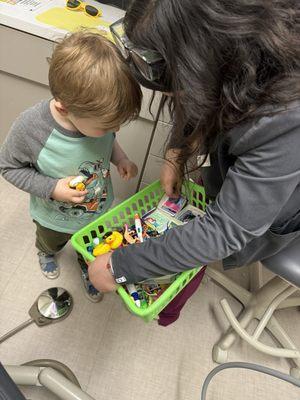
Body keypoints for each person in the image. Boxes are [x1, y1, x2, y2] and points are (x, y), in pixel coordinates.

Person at [88, 0, 300, 293]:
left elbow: (227, 230)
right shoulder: (241, 46)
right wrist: (178, 151)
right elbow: (207, 94)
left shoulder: (288, 114)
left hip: (285, 202)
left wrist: (121, 267)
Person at [0, 30, 142, 302]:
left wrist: (120, 158)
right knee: (51, 240)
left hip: (97, 211)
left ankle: (88, 266)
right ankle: (45, 252)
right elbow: (8, 167)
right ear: (65, 108)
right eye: (107, 126)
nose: (114, 129)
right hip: (54, 217)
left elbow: (108, 140)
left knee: (91, 247)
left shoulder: (97, 121)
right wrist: (52, 188)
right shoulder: (31, 128)